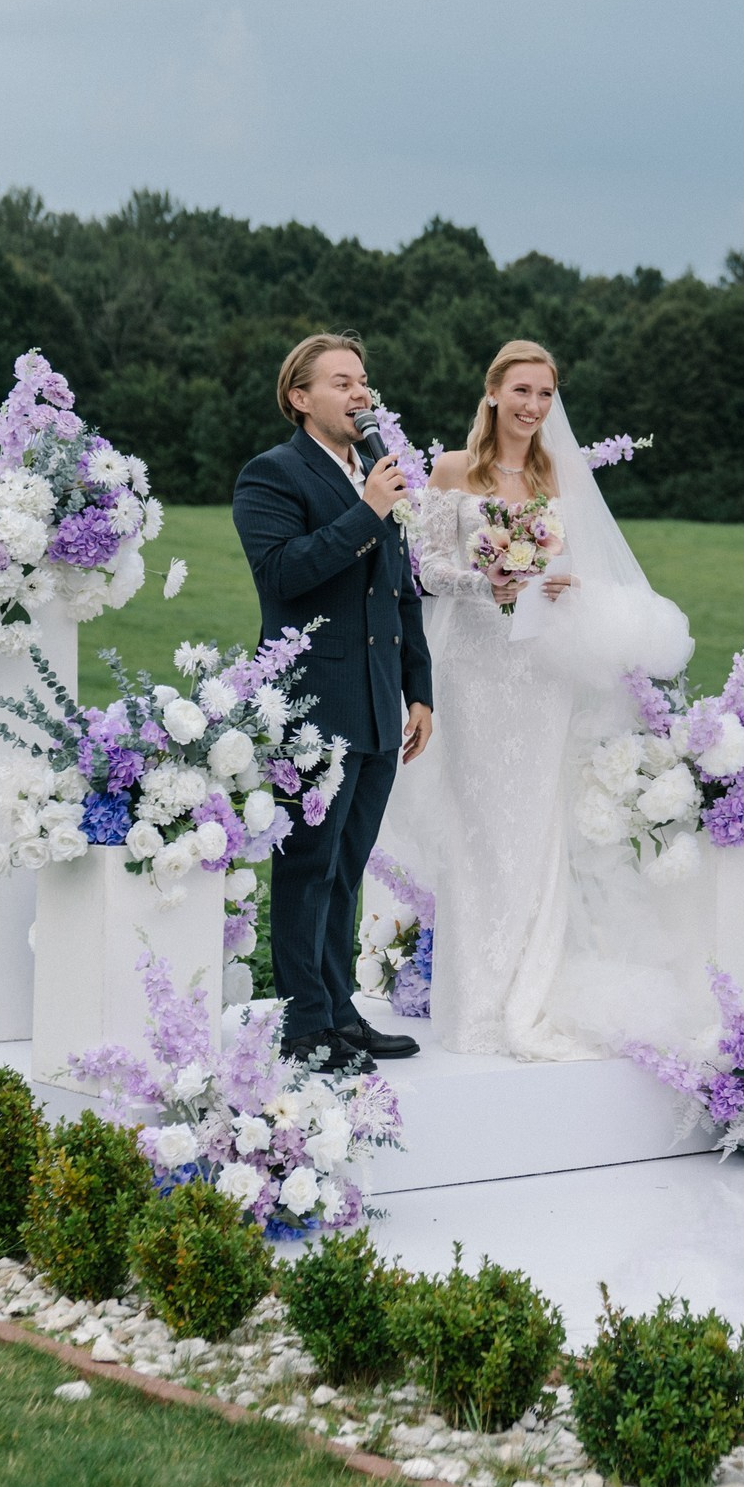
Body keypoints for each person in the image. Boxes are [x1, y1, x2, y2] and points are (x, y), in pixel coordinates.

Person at [373, 340, 708, 1060]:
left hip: (539, 670)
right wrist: (483, 582)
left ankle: (529, 990)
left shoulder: (559, 472)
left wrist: (563, 584)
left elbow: (577, 565)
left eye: (546, 393)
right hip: (472, 666)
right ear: (493, 392)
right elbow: (426, 570)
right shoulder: (453, 470)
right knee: (478, 829)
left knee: (532, 826)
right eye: (521, 390)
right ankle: (474, 1008)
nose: (533, 405)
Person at [233, 332, 434, 1071]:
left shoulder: (376, 472)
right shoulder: (271, 476)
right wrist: (367, 512)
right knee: (308, 866)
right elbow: (286, 574)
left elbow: (401, 590)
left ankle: (340, 1010)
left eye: (364, 381)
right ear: (300, 396)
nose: (361, 393)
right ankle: (303, 1025)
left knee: (348, 865)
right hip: (312, 701)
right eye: (343, 381)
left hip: (382, 703)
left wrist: (421, 688)